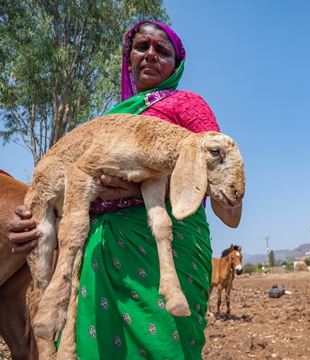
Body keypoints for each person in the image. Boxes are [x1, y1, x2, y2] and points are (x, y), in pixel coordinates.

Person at [7, 20, 223, 359]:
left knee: (163, 344)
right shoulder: (109, 122)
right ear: (129, 59)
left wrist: (137, 191)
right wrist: (35, 218)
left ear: (176, 64)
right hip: (101, 248)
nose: (150, 55)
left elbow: (215, 173)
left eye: (162, 51)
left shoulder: (187, 105)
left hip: (166, 245)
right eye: (141, 47)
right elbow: (73, 188)